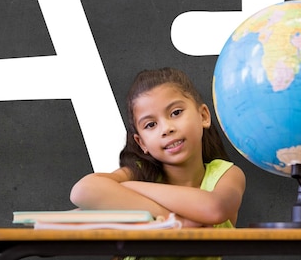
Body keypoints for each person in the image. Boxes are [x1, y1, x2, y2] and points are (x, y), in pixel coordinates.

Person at [70, 67, 245, 259]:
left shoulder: (226, 174)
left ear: (203, 116)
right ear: (142, 142)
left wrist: (131, 187)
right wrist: (175, 221)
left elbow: (214, 208)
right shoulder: (138, 172)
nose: (166, 129)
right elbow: (82, 191)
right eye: (151, 125)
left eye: (176, 112)